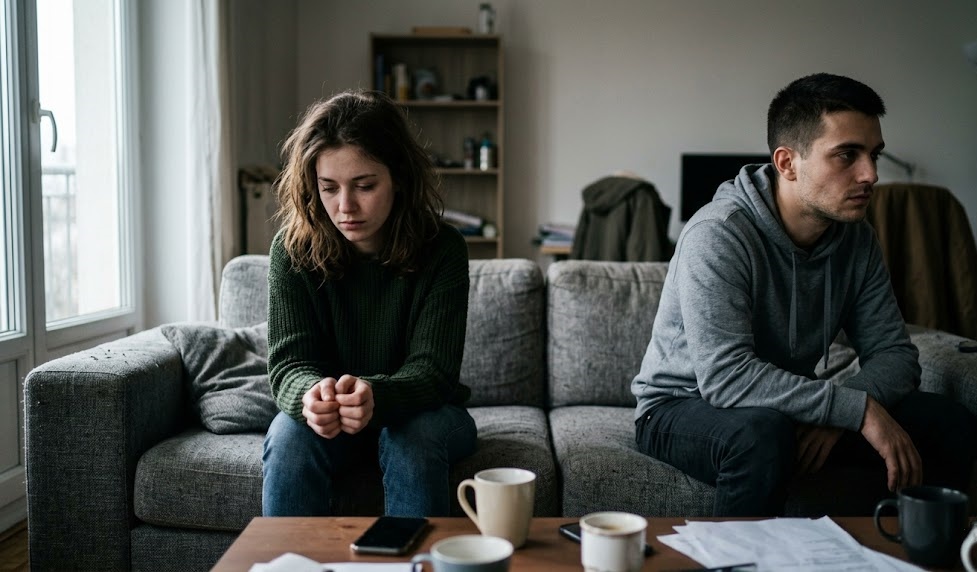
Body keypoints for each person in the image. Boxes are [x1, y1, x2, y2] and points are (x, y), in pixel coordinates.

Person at [631, 73, 976, 516]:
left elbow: (895, 354)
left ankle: (907, 548)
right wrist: (856, 410)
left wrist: (838, 414)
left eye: (873, 155)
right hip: (679, 407)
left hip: (783, 406)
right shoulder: (718, 233)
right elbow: (726, 377)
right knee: (761, 434)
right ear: (788, 163)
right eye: (847, 155)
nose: (870, 175)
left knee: (949, 423)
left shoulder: (857, 240)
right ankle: (733, 554)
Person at [262, 90, 477, 517]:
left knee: (413, 440)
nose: (345, 207)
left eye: (364, 186)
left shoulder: (444, 248)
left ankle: (413, 556)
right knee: (288, 438)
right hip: (333, 419)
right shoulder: (291, 251)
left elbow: (434, 371)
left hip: (424, 414)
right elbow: (289, 365)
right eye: (329, 188)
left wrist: (374, 394)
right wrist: (309, 395)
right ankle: (289, 556)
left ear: (398, 177)